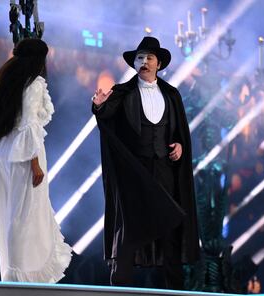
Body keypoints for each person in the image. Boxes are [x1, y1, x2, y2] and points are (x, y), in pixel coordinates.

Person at [92, 36, 199, 289]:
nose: (144, 62)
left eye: (149, 57)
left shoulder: (172, 95)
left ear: (158, 64)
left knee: (171, 226)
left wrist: (180, 146)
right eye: (140, 57)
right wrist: (97, 106)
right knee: (129, 229)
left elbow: (178, 133)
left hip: (164, 170)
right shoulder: (123, 92)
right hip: (134, 171)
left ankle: (174, 290)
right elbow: (106, 114)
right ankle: (119, 287)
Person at [0, 38, 72, 283]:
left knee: (11, 212)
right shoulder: (33, 84)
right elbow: (29, 123)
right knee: (24, 214)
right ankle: (21, 275)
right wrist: (35, 163)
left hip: (8, 154)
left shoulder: (9, 81)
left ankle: (14, 271)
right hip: (25, 156)